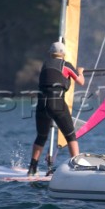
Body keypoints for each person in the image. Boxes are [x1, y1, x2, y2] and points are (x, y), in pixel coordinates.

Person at [27, 40, 85, 176]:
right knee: (71, 136)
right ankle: (76, 168)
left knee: (41, 137)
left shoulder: (45, 65)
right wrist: (80, 72)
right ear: (63, 54)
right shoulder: (66, 65)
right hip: (56, 104)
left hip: (42, 104)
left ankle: (32, 168)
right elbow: (81, 82)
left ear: (50, 54)